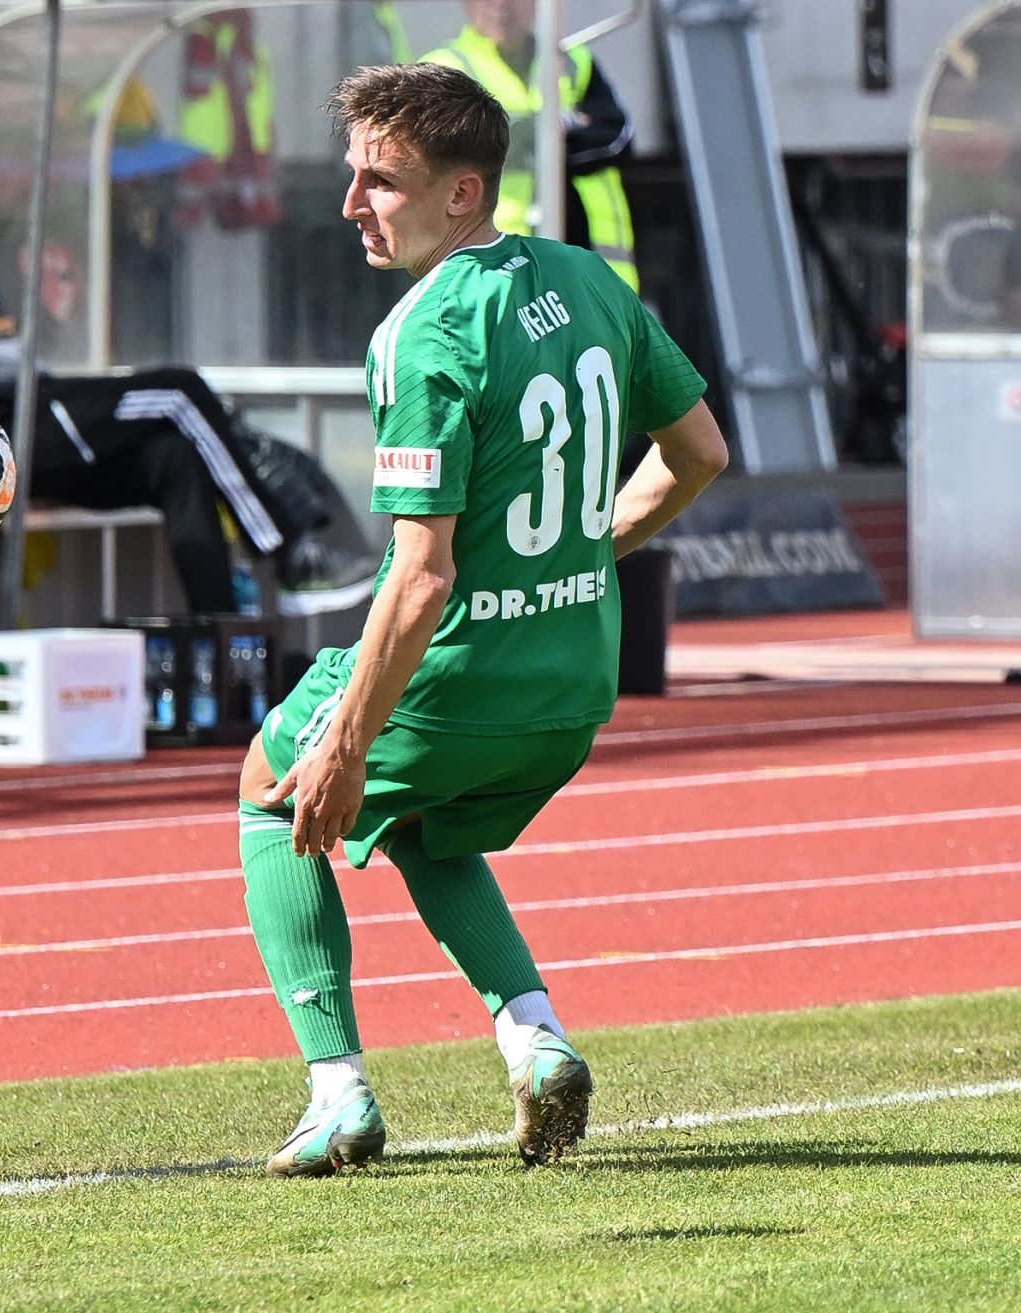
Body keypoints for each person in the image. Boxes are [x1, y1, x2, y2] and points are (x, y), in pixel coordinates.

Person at [236, 62, 726, 1176]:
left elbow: (420, 582)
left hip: (455, 674)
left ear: (463, 193)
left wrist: (345, 743)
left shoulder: (423, 334)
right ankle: (535, 1038)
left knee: (273, 791)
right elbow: (700, 451)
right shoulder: (589, 278)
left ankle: (338, 1093)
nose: (352, 204)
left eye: (382, 182)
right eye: (353, 176)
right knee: (426, 823)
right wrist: (578, 555)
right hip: (576, 677)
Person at [0, 122, 377, 616]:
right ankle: (288, 551)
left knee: (174, 457)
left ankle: (215, 635)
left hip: (31, 409)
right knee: (180, 390)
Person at [422, 0, 639, 290]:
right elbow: (448, 156)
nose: (500, 4)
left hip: (591, 270)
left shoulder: (574, 61)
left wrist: (522, 139)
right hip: (498, 272)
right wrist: (568, 127)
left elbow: (617, 139)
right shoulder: (443, 70)